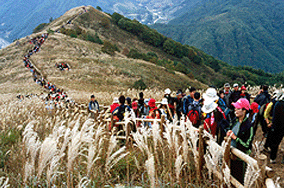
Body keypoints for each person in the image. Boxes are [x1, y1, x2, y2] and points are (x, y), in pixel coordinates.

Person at [226, 98, 254, 184]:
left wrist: (235, 138)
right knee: (230, 178)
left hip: (241, 159)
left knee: (239, 181)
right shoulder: (235, 121)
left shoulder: (249, 126)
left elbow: (247, 146)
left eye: (238, 108)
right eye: (235, 108)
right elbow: (231, 131)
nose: (235, 110)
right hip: (231, 155)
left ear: (244, 111)